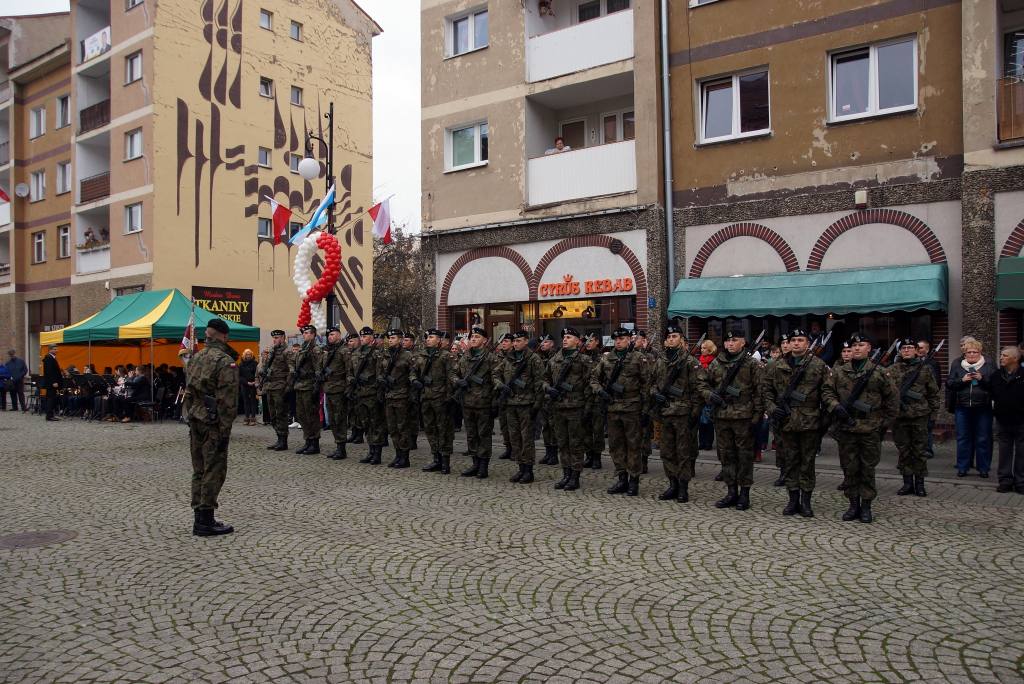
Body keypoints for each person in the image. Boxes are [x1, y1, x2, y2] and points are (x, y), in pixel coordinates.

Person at [823, 333, 899, 523]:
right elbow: (827, 391)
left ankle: (866, 506)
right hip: (846, 428)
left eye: (861, 345)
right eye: (854, 345)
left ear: (869, 348)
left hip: (869, 428)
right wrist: (835, 406)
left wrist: (882, 424)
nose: (857, 348)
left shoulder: (879, 372)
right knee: (849, 468)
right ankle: (853, 505)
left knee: (867, 469)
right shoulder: (839, 371)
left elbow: (893, 400)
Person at [763, 329, 829, 518]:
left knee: (807, 463)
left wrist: (823, 420)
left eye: (801, 340)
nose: (797, 343)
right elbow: (766, 390)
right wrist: (772, 408)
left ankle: (806, 502)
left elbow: (827, 393)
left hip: (809, 423)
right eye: (794, 340)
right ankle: (792, 500)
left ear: (807, 344)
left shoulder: (818, 365)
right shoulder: (776, 366)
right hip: (785, 422)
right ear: (789, 344)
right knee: (790, 462)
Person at [183, 318, 239, 537]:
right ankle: (206, 520)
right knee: (214, 469)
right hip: (213, 423)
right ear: (224, 337)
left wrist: (191, 415)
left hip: (196, 419)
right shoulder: (225, 361)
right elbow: (228, 401)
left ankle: (199, 516)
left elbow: (188, 390)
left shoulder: (195, 358)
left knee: (199, 469)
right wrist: (225, 430)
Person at [700, 328, 763, 510]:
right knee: (726, 455)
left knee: (744, 456)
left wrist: (757, 417)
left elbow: (760, 391)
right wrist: (710, 396)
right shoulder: (717, 363)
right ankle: (731, 492)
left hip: (744, 417)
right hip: (722, 416)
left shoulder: (751, 364)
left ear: (743, 342)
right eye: (727, 341)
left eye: (734, 340)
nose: (730, 344)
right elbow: (702, 383)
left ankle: (744, 494)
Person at [650, 324, 705, 504]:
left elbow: (699, 391)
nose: (672, 339)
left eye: (675, 336)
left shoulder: (690, 362)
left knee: (683, 452)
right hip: (665, 413)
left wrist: (694, 415)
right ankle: (672, 484)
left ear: (681, 339)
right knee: (667, 451)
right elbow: (651, 383)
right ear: (665, 341)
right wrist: (655, 393)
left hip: (683, 413)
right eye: (669, 337)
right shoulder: (660, 361)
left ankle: (683, 487)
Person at [592, 327, 650, 496]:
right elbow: (594, 379)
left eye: (622, 338)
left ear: (629, 340)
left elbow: (647, 384)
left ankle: (633, 481)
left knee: (633, 445)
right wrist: (600, 391)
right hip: (612, 407)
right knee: (616, 445)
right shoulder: (607, 358)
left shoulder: (638, 358)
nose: (618, 341)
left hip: (632, 407)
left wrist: (646, 410)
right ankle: (621, 478)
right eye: (616, 339)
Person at [887, 338, 940, 497]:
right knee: (904, 451)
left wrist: (933, 416)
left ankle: (920, 484)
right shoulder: (893, 369)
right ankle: (907, 483)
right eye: (904, 348)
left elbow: (933, 394)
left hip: (919, 416)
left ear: (916, 350)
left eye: (910, 347)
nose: (907, 350)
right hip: (900, 417)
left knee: (919, 451)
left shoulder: (925, 369)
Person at [544, 327, 593, 491]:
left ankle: (575, 476)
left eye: (569, 337)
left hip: (575, 407)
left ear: (578, 341)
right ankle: (566, 474)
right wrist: (549, 389)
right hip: (558, 407)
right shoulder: (554, 359)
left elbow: (590, 384)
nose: (565, 339)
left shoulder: (584, 360)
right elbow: (544, 379)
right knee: (562, 443)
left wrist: (586, 406)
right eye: (564, 337)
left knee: (575, 443)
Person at [497, 331, 545, 485]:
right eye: (514, 341)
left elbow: (540, 384)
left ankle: (528, 470)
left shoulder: (533, 359)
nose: (516, 343)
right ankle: (520, 467)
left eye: (519, 341)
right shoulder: (509, 359)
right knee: (515, 438)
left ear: (525, 341)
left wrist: (537, 406)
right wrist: (501, 386)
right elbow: (495, 374)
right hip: (511, 404)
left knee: (527, 439)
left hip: (527, 404)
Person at [452, 326, 498, 479]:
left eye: (477, 337)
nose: (473, 339)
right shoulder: (465, 356)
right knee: (471, 435)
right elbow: (453, 373)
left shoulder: (491, 358)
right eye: (471, 337)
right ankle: (475, 463)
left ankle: (483, 466)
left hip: (484, 403)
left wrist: (494, 402)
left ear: (484, 341)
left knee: (483, 435)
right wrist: (458, 382)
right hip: (467, 402)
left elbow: (496, 380)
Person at [946, 338, 995, 478]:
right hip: (962, 407)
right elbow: (949, 383)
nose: (972, 354)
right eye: (969, 352)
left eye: (975, 352)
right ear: (965, 353)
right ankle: (963, 467)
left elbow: (994, 385)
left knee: (983, 438)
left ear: (980, 352)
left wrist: (982, 378)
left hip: (983, 407)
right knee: (963, 438)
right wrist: (962, 380)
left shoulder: (989, 364)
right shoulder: (957, 364)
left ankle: (983, 468)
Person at [414, 329, 455, 474]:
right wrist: (414, 380)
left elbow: (452, 378)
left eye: (431, 337)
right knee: (430, 429)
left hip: (441, 398)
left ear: (439, 340)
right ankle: (436, 459)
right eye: (427, 337)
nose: (428, 339)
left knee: (443, 430)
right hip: (426, 398)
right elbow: (413, 371)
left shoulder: (446, 356)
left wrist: (449, 397)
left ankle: (445, 461)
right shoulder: (422, 355)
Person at [379, 329, 415, 468]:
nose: (390, 340)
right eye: (389, 338)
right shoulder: (386, 355)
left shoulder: (407, 356)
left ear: (400, 339)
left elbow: (412, 374)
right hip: (389, 395)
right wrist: (383, 379)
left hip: (402, 395)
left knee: (402, 427)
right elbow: (380, 372)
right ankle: (398, 454)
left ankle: (405, 457)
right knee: (392, 428)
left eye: (393, 338)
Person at [990, 346, 1024, 494]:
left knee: (1022, 452)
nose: (1001, 357)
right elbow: (991, 393)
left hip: (1021, 420)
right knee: (1004, 452)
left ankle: (1021, 482)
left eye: (1005, 355)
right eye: (1001, 355)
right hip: (1002, 420)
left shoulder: (1023, 375)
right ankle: (1005, 481)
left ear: (1015, 358)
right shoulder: (997, 375)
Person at [321, 326, 353, 460]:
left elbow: (349, 371)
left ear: (339, 335)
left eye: (333, 334)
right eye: (329, 335)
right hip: (329, 389)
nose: (330, 337)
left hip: (339, 389)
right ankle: (338, 445)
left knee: (339, 419)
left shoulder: (344, 351)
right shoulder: (329, 351)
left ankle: (342, 448)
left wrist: (348, 388)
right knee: (332, 420)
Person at [260, 330, 296, 451]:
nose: (275, 340)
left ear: (283, 338)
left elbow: (291, 371)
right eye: (274, 338)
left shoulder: (287, 352)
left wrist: (288, 387)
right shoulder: (273, 351)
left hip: (281, 386)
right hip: (270, 386)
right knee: (273, 415)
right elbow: (265, 367)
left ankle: (283, 440)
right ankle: (278, 437)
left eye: (277, 337)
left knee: (281, 414)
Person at [292, 325, 323, 455]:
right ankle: (307, 441)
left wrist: (317, 387)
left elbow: (319, 370)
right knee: (302, 415)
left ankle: (314, 443)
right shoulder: (302, 349)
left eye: (306, 333)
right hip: (300, 386)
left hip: (310, 386)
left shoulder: (315, 350)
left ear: (313, 334)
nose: (304, 335)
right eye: (303, 333)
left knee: (311, 415)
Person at [582, 332, 605, 469]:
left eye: (591, 340)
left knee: (597, 430)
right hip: (584, 398)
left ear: (597, 341)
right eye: (586, 341)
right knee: (585, 428)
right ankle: (588, 455)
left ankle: (597, 457)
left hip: (596, 398)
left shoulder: (602, 358)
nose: (588, 343)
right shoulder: (581, 358)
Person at [536, 334, 559, 465]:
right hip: (542, 397)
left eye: (546, 342)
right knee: (545, 426)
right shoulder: (539, 357)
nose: (543, 344)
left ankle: (554, 454)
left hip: (552, 397)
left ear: (552, 344)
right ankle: (548, 452)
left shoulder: (556, 357)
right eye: (542, 343)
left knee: (553, 426)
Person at [697, 338, 717, 454]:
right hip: (700, 395)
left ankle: (708, 442)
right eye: (701, 348)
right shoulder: (699, 361)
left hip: (709, 394)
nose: (702, 350)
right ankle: (702, 442)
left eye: (704, 348)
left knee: (708, 420)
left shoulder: (713, 362)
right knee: (701, 420)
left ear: (709, 350)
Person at [402, 332, 420, 451]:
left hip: (413, 389)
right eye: (403, 340)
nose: (404, 342)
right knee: (404, 417)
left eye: (407, 340)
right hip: (402, 389)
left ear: (412, 342)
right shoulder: (400, 354)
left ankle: (413, 440)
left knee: (413, 416)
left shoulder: (417, 355)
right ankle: (406, 439)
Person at [238, 349, 258, 425]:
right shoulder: (241, 364)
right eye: (247, 354)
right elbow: (239, 376)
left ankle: (253, 418)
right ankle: (246, 417)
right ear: (244, 355)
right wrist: (246, 382)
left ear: (252, 355)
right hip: (244, 385)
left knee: (253, 401)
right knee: (246, 401)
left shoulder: (255, 363)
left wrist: (254, 382)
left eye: (249, 354)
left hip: (253, 384)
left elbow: (257, 374)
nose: (248, 356)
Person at [42, 345, 63, 421]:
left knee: (51, 398)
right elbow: (49, 372)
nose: (56, 350)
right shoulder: (49, 358)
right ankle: (49, 416)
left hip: (51, 383)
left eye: (57, 349)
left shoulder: (51, 358)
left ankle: (50, 414)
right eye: (54, 349)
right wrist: (53, 382)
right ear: (50, 350)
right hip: (51, 383)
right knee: (51, 399)